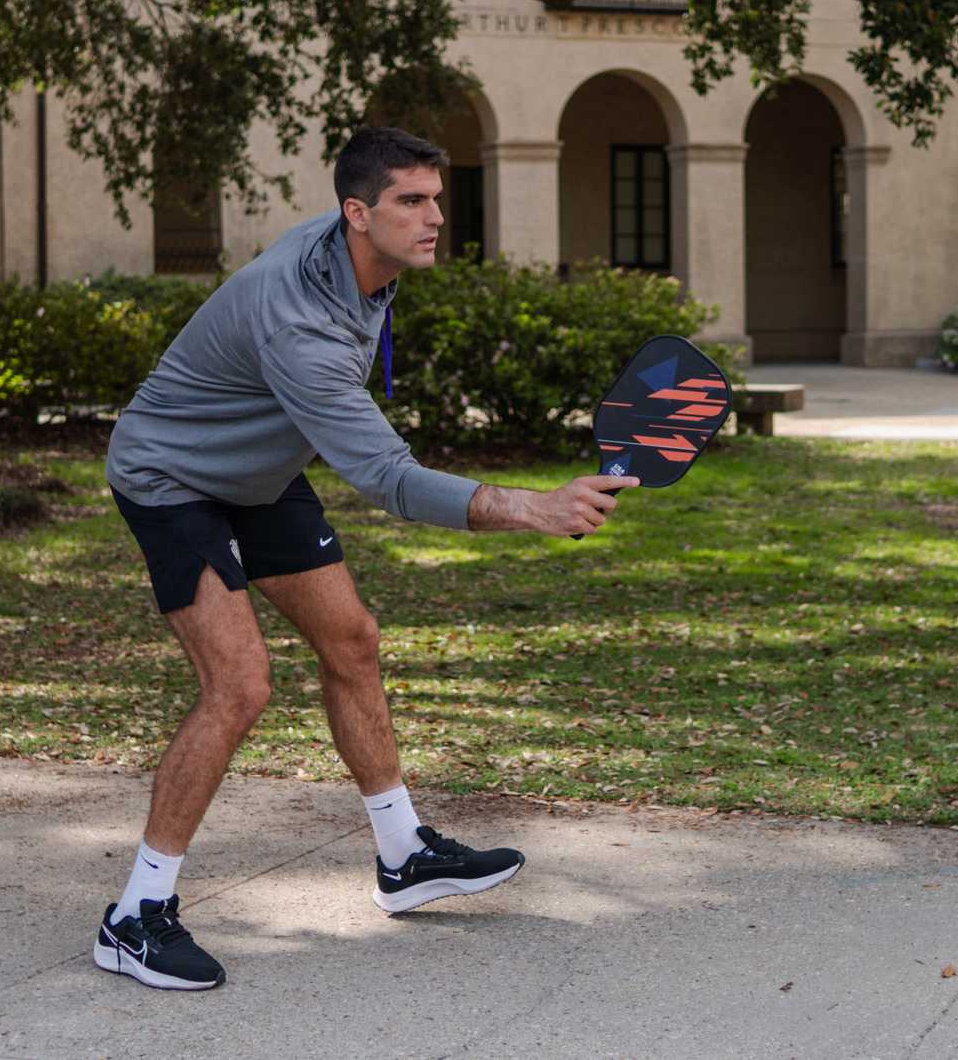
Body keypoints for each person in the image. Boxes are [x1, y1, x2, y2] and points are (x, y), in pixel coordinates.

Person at [95, 126, 638, 990]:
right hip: (172, 477)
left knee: (352, 639)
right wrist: (534, 508)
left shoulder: (359, 262)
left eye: (436, 198)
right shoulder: (299, 317)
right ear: (357, 212)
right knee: (240, 685)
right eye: (410, 202)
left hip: (263, 469)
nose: (434, 217)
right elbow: (386, 476)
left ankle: (402, 853)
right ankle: (135, 915)